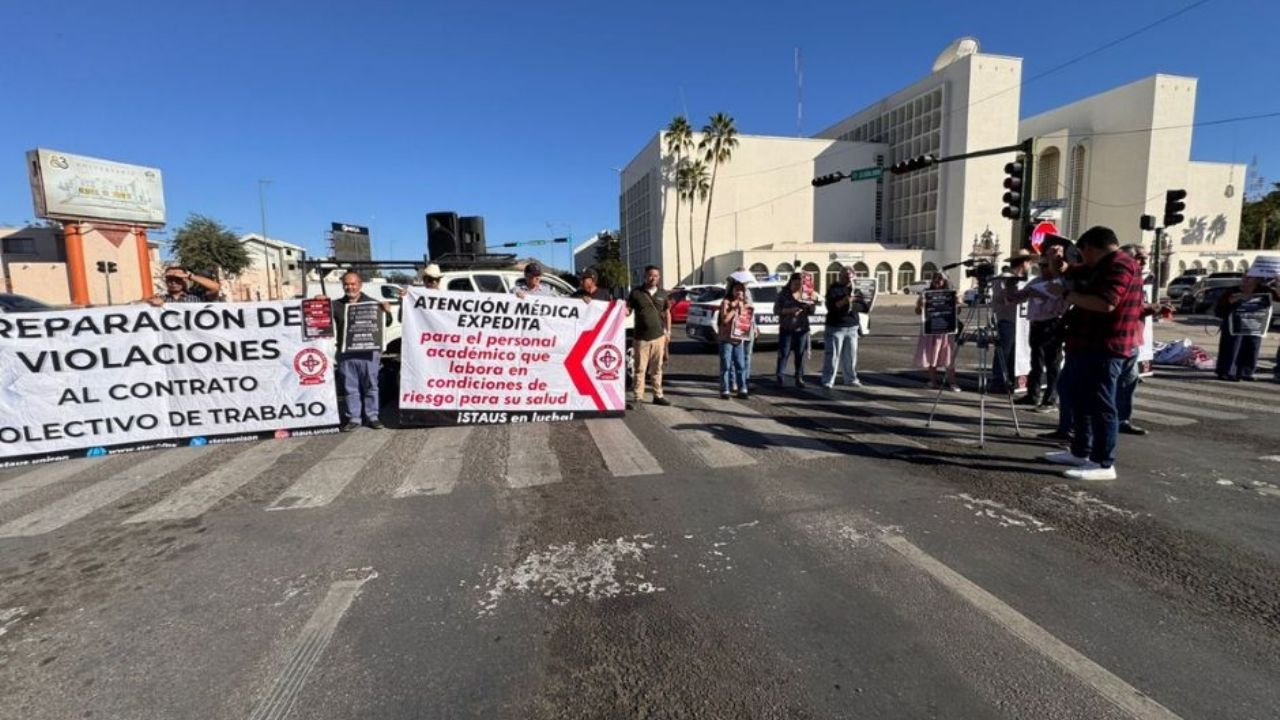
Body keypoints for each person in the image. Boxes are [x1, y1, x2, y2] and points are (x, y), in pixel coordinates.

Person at [1042, 226, 1144, 481]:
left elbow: (1107, 303)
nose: (1081, 259)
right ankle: (1081, 451)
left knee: (1101, 403)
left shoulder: (1120, 265)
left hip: (1105, 346)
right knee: (1076, 396)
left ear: (1089, 248)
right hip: (1086, 344)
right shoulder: (1102, 265)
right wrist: (1057, 264)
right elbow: (1071, 273)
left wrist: (1067, 294)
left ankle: (1103, 462)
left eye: (1082, 253)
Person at [323, 271, 393, 431]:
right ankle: (353, 418)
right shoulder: (335, 305)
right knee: (349, 387)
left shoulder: (373, 303)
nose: (350, 287)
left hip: (369, 353)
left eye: (353, 284)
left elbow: (386, 323)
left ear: (360, 285)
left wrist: (387, 311)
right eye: (346, 284)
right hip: (346, 353)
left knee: (371, 386)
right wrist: (319, 302)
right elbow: (318, 318)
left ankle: (372, 416)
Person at [1008, 253, 1070, 410]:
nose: (1042, 269)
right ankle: (1033, 394)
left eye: (1045, 265)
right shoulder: (1036, 281)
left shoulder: (1060, 282)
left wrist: (1042, 296)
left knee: (1052, 362)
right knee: (1036, 361)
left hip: (1052, 324)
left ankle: (1050, 399)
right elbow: (1020, 297)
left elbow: (1060, 306)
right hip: (1036, 324)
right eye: (1040, 266)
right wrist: (1013, 291)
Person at [1115, 246, 1159, 435]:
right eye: (1139, 257)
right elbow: (1122, 305)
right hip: (1119, 339)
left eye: (1145, 258)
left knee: (1128, 382)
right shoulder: (1122, 277)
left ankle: (1122, 419)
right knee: (1110, 383)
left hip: (1133, 340)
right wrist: (1150, 308)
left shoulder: (1139, 278)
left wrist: (1152, 308)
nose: (1144, 262)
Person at [1214, 275, 1280, 381]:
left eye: (1249, 278)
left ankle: (1246, 372)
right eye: (1244, 277)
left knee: (1252, 347)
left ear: (1258, 279)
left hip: (1255, 324)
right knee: (1232, 347)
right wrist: (1238, 297)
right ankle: (1227, 371)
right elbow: (1221, 306)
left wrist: (1278, 283)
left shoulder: (1264, 290)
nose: (1245, 280)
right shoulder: (1233, 290)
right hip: (1234, 325)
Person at [627, 265, 671, 406]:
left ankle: (658, 395)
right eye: (650, 275)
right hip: (641, 338)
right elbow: (627, 310)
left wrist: (668, 331)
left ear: (659, 277)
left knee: (657, 369)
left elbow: (667, 313)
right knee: (640, 368)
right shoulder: (636, 293)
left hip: (659, 337)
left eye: (656, 276)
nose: (653, 278)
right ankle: (638, 396)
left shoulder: (663, 294)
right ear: (645, 276)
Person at [991, 251, 1032, 391]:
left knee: (1017, 351)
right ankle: (998, 380)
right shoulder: (1004, 278)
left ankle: (1011, 379)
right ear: (1024, 262)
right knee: (1004, 351)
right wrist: (1009, 292)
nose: (1030, 266)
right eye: (1029, 262)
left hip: (1021, 321)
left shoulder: (1025, 279)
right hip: (1007, 319)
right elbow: (997, 298)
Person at [822, 266, 868, 388]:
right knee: (832, 356)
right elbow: (831, 307)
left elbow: (864, 306)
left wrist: (854, 306)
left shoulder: (857, 289)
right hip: (836, 327)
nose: (848, 278)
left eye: (851, 276)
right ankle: (828, 380)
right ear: (840, 276)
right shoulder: (834, 288)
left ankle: (851, 379)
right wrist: (845, 301)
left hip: (852, 326)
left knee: (851, 356)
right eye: (846, 276)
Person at [914, 274, 960, 391]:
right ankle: (933, 381)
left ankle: (952, 382)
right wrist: (921, 304)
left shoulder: (950, 293)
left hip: (945, 330)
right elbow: (917, 311)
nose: (936, 280)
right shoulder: (926, 293)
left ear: (945, 281)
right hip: (931, 329)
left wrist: (957, 303)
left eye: (940, 278)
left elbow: (957, 311)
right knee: (931, 355)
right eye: (934, 278)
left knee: (948, 355)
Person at [773, 272, 814, 387]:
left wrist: (810, 305)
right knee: (784, 353)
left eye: (800, 284)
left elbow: (812, 311)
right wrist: (790, 311)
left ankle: (799, 377)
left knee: (800, 354)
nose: (798, 287)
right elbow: (776, 310)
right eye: (795, 284)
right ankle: (780, 377)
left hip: (802, 329)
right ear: (790, 283)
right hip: (786, 329)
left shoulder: (806, 294)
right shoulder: (783, 294)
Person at [718, 279, 752, 399]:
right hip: (726, 338)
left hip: (738, 339)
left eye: (741, 290)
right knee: (726, 365)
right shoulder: (726, 303)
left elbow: (747, 320)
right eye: (736, 289)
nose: (739, 292)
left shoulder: (745, 304)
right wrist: (734, 308)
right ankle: (725, 389)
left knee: (740, 365)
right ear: (731, 291)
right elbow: (725, 319)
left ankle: (742, 389)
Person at [147, 266, 221, 306]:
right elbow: (141, 304)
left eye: (178, 279)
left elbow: (216, 287)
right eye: (170, 279)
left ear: (185, 280)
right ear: (166, 281)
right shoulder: (162, 298)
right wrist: (150, 302)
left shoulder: (198, 297)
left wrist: (189, 276)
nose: (173, 282)